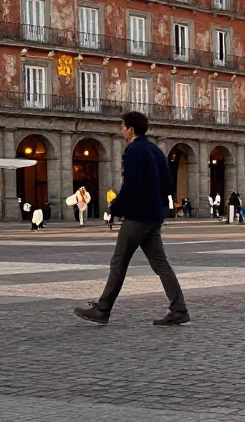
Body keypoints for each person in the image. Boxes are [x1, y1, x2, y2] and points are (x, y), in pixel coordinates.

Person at [74, 111, 189, 327]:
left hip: (137, 216)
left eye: (122, 125)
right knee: (160, 264)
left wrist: (115, 207)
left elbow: (131, 186)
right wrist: (157, 203)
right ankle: (179, 309)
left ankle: (102, 309)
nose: (120, 129)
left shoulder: (134, 150)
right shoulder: (155, 150)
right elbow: (167, 185)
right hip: (154, 215)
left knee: (118, 263)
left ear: (131, 129)